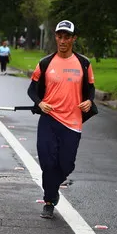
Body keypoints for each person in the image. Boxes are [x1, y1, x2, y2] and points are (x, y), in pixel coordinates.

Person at [27, 20, 98, 219]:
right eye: (60, 36)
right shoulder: (45, 63)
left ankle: (52, 186)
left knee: (66, 165)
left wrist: (89, 101)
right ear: (55, 37)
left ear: (74, 38)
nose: (63, 40)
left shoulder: (84, 63)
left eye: (67, 37)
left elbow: (90, 89)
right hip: (49, 119)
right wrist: (40, 103)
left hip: (73, 123)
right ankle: (49, 200)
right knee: (47, 162)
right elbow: (32, 90)